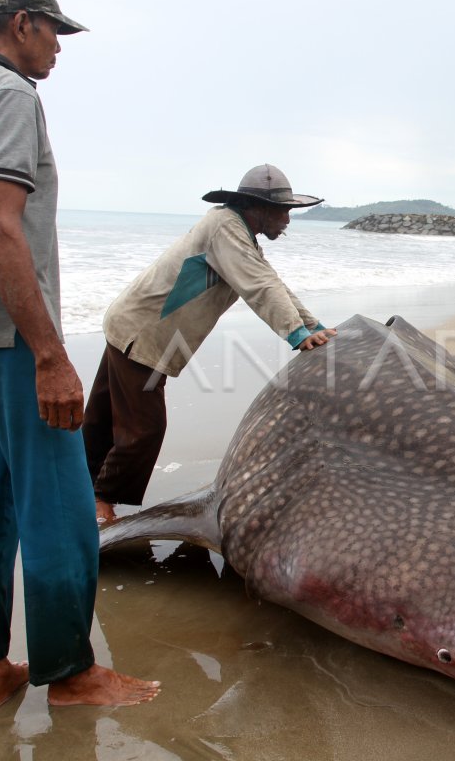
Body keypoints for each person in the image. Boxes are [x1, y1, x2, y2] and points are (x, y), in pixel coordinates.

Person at [0, 0, 159, 712]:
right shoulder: (10, 94)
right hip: (9, 339)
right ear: (22, 23)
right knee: (59, 506)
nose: (59, 47)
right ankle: (71, 673)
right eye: (55, 31)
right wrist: (50, 355)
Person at [83, 165, 336, 525]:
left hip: (132, 324)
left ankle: (77, 483)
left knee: (103, 417)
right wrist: (298, 335)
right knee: (144, 428)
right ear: (257, 207)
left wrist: (314, 327)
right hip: (143, 332)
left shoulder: (236, 232)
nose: (287, 220)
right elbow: (260, 287)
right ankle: (102, 499)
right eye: (283, 211)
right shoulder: (226, 229)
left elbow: (271, 282)